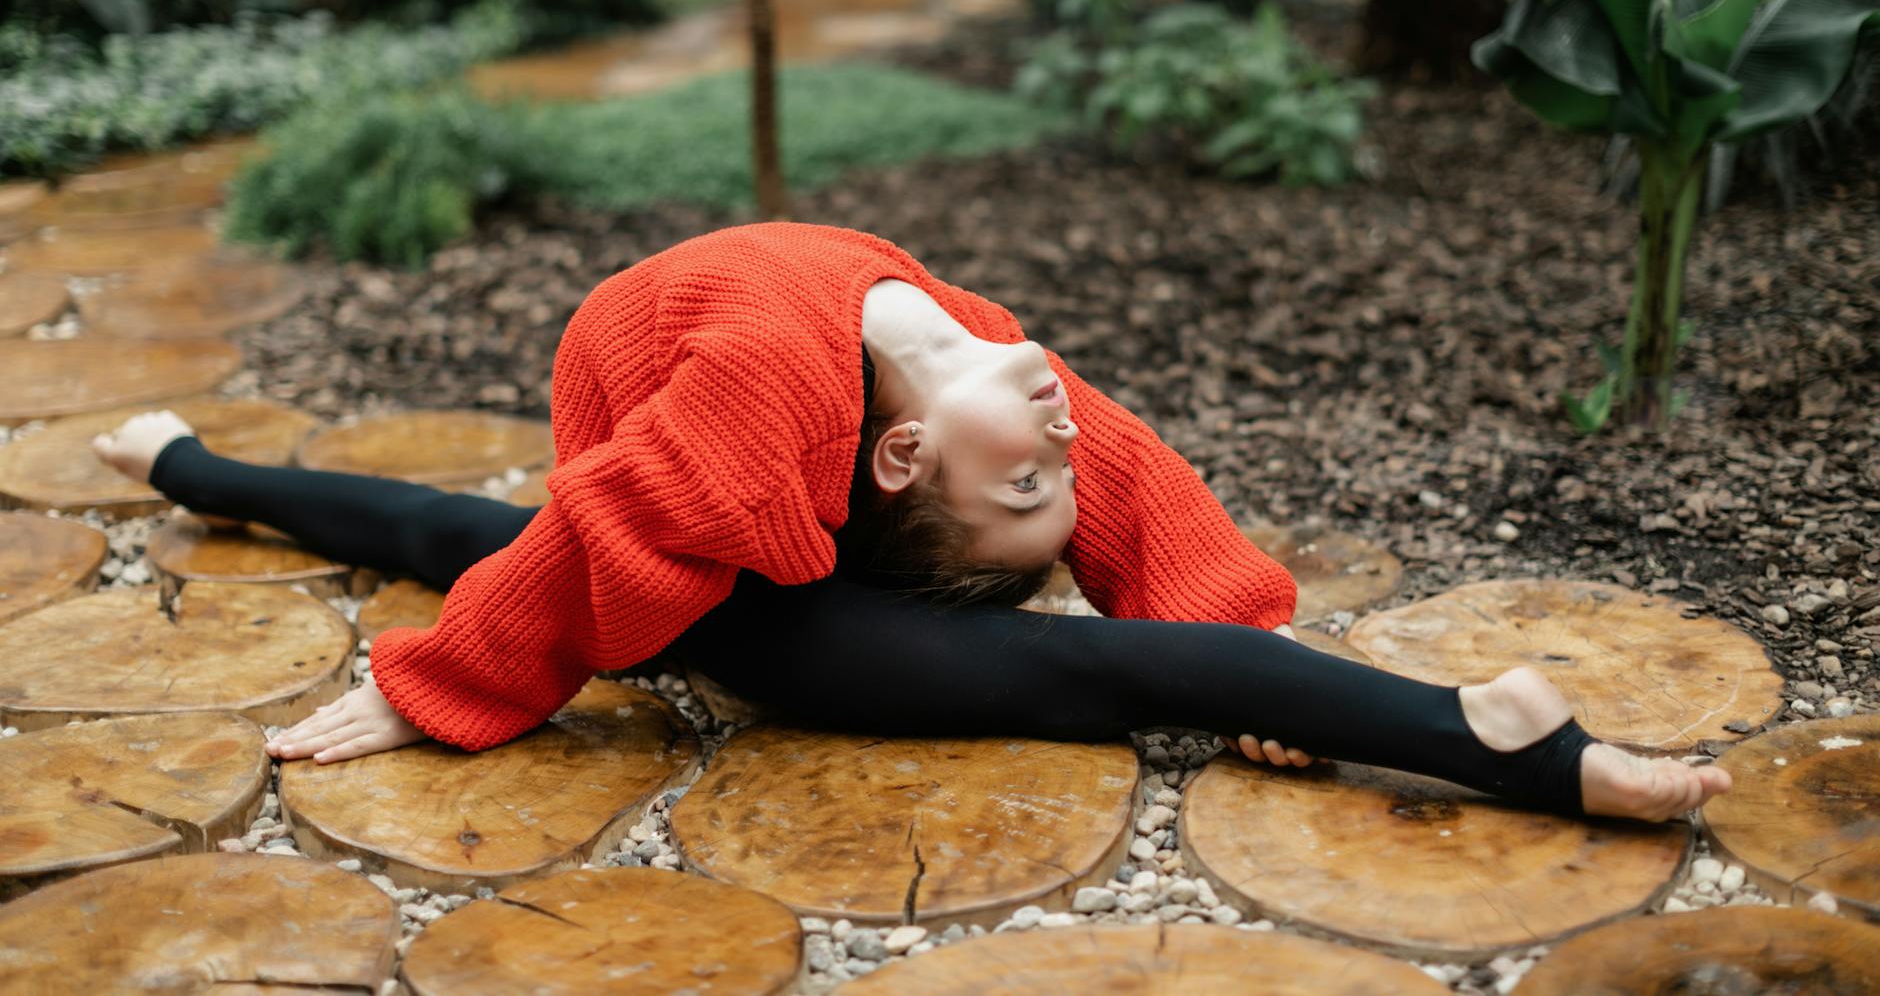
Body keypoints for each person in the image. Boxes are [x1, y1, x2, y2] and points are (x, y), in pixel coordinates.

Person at [95, 222, 1730, 822]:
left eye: (1035, 484)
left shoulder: (966, 378)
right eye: (1030, 482)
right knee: (549, 556)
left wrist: (1232, 641)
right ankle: (196, 466)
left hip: (753, 470)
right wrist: (444, 682)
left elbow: (1133, 490)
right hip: (626, 394)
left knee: (488, 536)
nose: (1061, 439)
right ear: (888, 461)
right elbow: (592, 521)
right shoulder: (777, 401)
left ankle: (188, 463)